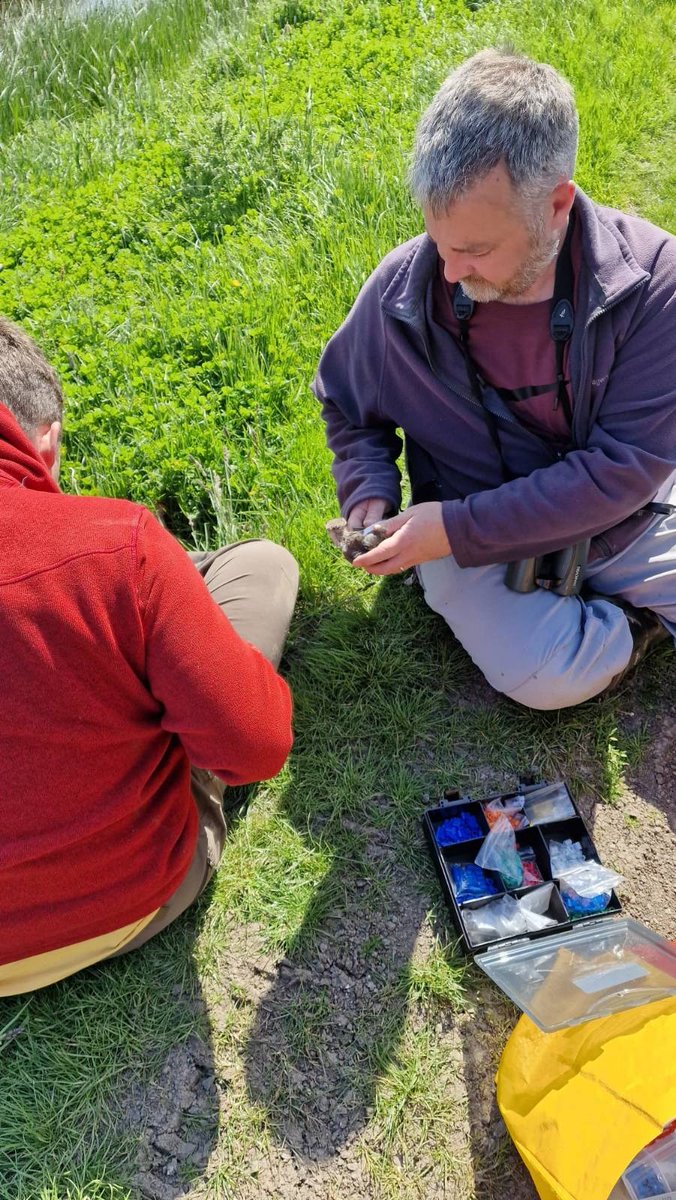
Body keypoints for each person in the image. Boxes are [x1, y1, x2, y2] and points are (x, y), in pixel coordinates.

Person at [314, 49, 675, 709]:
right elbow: (345, 405)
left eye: (475, 251)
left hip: (618, 519)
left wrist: (453, 529)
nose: (448, 273)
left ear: (557, 204)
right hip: (462, 531)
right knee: (539, 678)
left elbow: (620, 472)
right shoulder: (405, 287)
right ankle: (632, 626)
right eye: (439, 241)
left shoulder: (654, 282)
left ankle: (606, 603)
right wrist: (369, 490)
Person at [0, 319, 298, 995]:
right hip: (124, 900)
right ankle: (176, 626)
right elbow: (255, 748)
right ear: (43, 441)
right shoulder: (115, 545)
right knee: (260, 567)